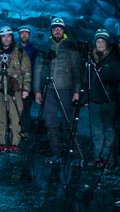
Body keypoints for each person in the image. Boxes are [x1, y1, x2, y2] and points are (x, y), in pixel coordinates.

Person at [33, 17, 83, 165]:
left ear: (63, 30)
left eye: (60, 28)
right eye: (55, 28)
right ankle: (56, 154)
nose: (57, 31)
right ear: (51, 30)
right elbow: (38, 70)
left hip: (66, 89)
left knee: (69, 122)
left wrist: (76, 91)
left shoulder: (71, 47)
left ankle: (76, 155)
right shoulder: (44, 46)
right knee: (51, 122)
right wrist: (37, 90)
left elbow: (77, 71)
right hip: (48, 90)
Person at [0, 26, 32, 152]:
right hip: (0, 89)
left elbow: (27, 72)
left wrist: (26, 89)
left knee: (15, 117)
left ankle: (15, 142)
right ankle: (2, 142)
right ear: (1, 38)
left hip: (15, 90)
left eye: (8, 36)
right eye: (3, 36)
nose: (6, 39)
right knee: (0, 117)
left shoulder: (20, 53)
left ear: (12, 37)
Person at [81, 29, 120, 167]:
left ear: (107, 43)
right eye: (98, 41)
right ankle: (97, 156)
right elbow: (86, 81)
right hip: (94, 101)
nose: (100, 44)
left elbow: (119, 80)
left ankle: (108, 158)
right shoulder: (91, 59)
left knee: (109, 130)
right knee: (96, 131)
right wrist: (86, 98)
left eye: (102, 41)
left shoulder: (113, 59)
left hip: (108, 101)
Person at [17, 24, 38, 139]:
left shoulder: (34, 51)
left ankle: (24, 130)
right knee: (14, 107)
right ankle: (15, 128)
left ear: (29, 35)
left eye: (26, 33)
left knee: (26, 108)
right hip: (15, 83)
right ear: (19, 34)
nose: (24, 35)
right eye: (22, 33)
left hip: (28, 83)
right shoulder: (14, 49)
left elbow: (36, 68)